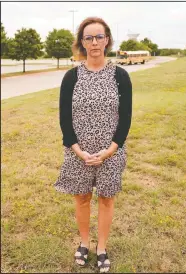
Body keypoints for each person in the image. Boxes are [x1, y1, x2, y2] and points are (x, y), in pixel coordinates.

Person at [54, 17, 132, 273]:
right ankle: (85, 243)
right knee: (83, 199)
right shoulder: (71, 77)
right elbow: (65, 119)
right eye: (89, 37)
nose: (94, 42)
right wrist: (79, 151)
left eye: (99, 36)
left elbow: (125, 119)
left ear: (107, 40)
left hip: (111, 153)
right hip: (78, 154)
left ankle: (102, 248)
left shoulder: (121, 76)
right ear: (82, 42)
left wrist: (109, 150)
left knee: (107, 200)